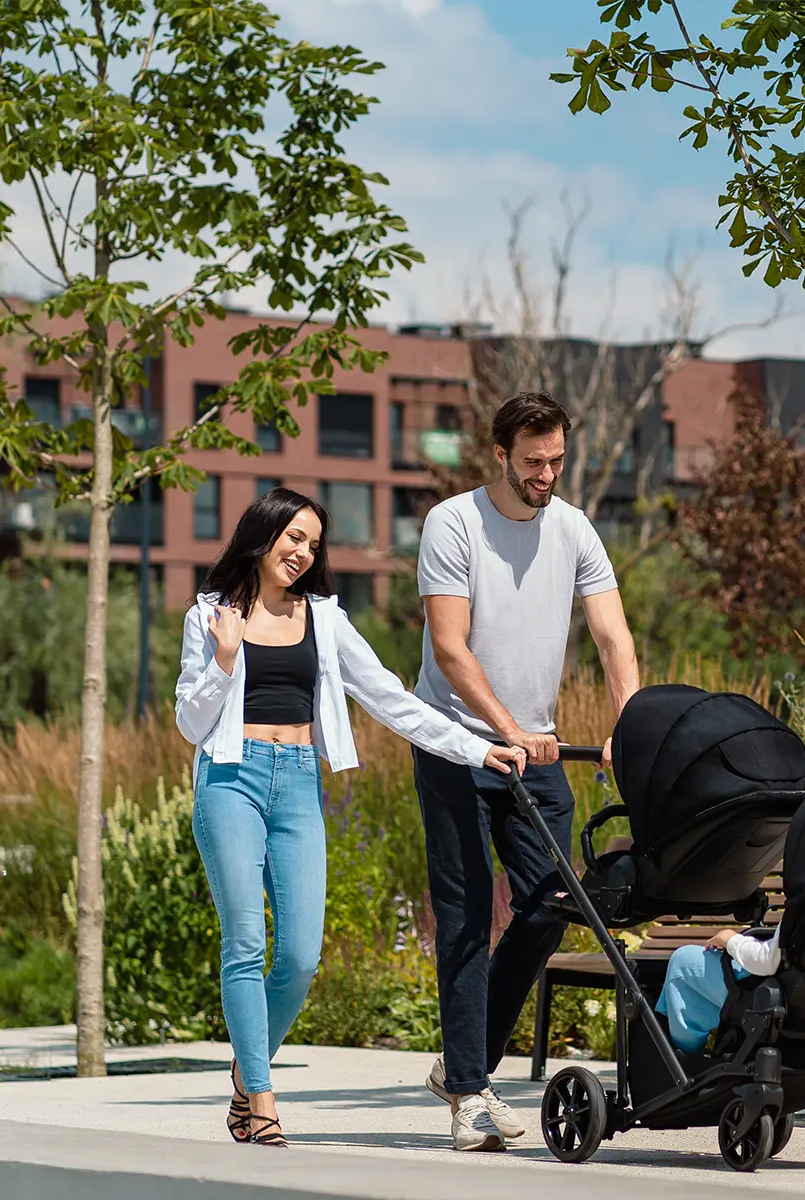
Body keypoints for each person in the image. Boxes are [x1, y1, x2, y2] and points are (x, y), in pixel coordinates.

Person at [175, 487, 526, 1149]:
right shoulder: (211, 617)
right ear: (262, 535)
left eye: (312, 542)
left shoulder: (326, 620)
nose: (302, 552)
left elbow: (394, 702)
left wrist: (479, 748)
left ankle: (246, 1068)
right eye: (293, 537)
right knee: (246, 944)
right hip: (230, 782)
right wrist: (224, 660)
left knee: (302, 958)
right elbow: (190, 722)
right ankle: (262, 1100)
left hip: (299, 785)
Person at [412, 391, 641, 1151]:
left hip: (533, 749)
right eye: (533, 461)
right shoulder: (454, 523)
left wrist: (628, 724)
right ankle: (471, 1097)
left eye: (557, 462)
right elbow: (450, 646)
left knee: (551, 904)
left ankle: (462, 1064)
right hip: (455, 743)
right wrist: (503, 731)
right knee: (470, 910)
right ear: (500, 453)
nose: (546, 475)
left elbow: (611, 636)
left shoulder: (574, 529)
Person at [656, 925, 783, 1054]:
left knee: (682, 961)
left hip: (764, 988)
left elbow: (767, 959)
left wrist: (731, 940)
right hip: (789, 989)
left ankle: (680, 1059)